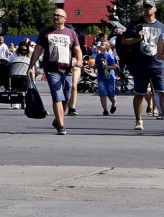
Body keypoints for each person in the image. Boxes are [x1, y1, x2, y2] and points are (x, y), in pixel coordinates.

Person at [28, 8, 82, 136]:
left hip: (68, 70)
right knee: (57, 97)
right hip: (52, 70)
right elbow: (37, 50)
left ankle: (57, 120)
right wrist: (31, 66)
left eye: (58, 15)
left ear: (65, 18)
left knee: (66, 98)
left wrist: (79, 60)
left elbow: (77, 49)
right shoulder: (45, 32)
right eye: (54, 15)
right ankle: (61, 126)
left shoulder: (71, 33)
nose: (56, 17)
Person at [117, 0, 164, 132]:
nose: (148, 9)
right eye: (146, 7)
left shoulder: (161, 26)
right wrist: (137, 38)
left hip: (158, 65)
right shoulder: (136, 24)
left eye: (150, 7)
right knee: (139, 94)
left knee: (162, 93)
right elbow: (124, 41)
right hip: (140, 65)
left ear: (155, 9)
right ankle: (139, 121)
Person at [93, 41, 118, 115]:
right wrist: (92, 67)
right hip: (101, 76)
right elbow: (96, 65)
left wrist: (107, 67)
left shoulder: (110, 56)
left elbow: (114, 66)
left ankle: (114, 104)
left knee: (111, 94)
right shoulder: (98, 56)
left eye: (103, 45)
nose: (100, 46)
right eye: (100, 44)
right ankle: (105, 110)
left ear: (107, 47)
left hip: (109, 77)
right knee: (103, 94)